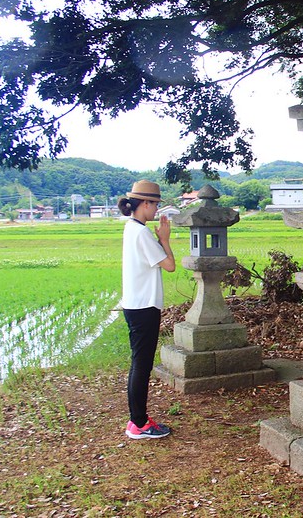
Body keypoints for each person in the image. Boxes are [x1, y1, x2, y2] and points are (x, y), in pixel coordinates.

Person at [117, 180, 176, 439]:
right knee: (141, 366)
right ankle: (139, 423)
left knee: (139, 364)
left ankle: (137, 420)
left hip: (135, 304)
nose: (156, 211)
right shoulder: (141, 233)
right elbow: (170, 265)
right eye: (154, 204)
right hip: (144, 307)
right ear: (144, 203)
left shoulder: (132, 228)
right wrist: (164, 239)